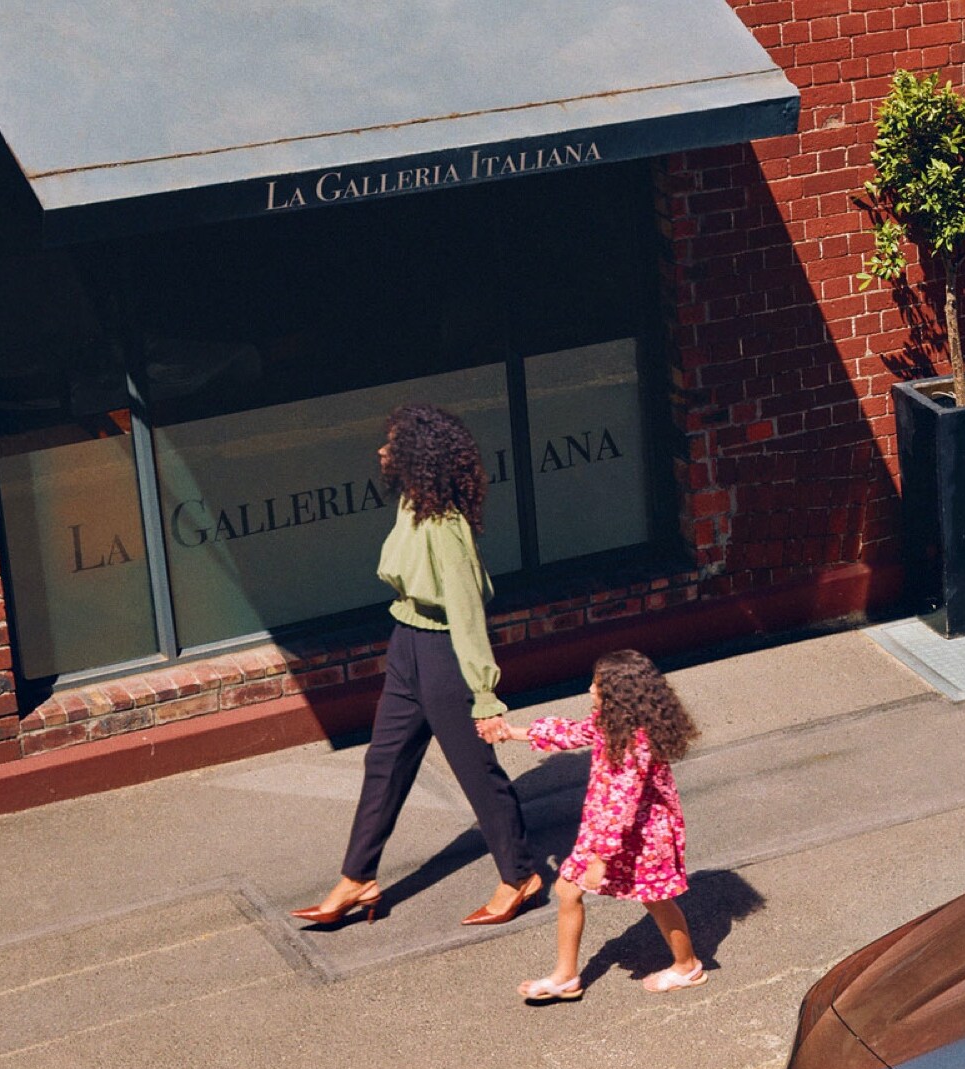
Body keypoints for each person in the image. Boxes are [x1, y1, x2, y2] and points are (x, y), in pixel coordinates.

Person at [292, 403, 544, 929]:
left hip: (444, 652)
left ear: (417, 456)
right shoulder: (412, 504)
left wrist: (485, 694)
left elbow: (468, 611)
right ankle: (358, 877)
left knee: (477, 773)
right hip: (406, 644)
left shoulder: (445, 526)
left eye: (392, 444)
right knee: (384, 762)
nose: (381, 452)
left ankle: (521, 875)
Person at [499, 650, 702, 1002]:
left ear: (620, 693)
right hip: (603, 834)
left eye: (598, 684)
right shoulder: (612, 723)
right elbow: (572, 733)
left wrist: (601, 859)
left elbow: (622, 805)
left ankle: (687, 966)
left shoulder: (636, 742)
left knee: (656, 900)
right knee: (567, 889)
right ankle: (565, 977)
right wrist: (510, 732)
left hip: (642, 838)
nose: (590, 689)